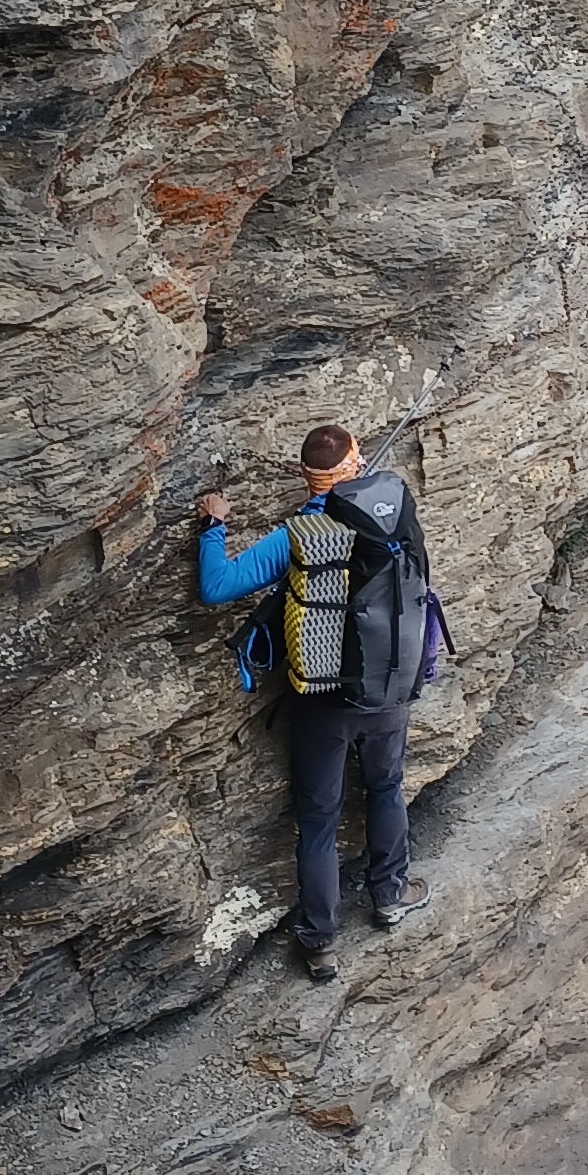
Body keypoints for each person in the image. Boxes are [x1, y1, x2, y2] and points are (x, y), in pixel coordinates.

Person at [196, 422, 434, 985]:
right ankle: (390, 896)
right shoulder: (392, 515)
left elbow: (217, 586)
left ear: (306, 477)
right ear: (356, 463)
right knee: (385, 787)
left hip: (322, 700)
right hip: (388, 689)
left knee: (319, 820)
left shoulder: (298, 535)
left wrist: (213, 525)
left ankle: (322, 942)